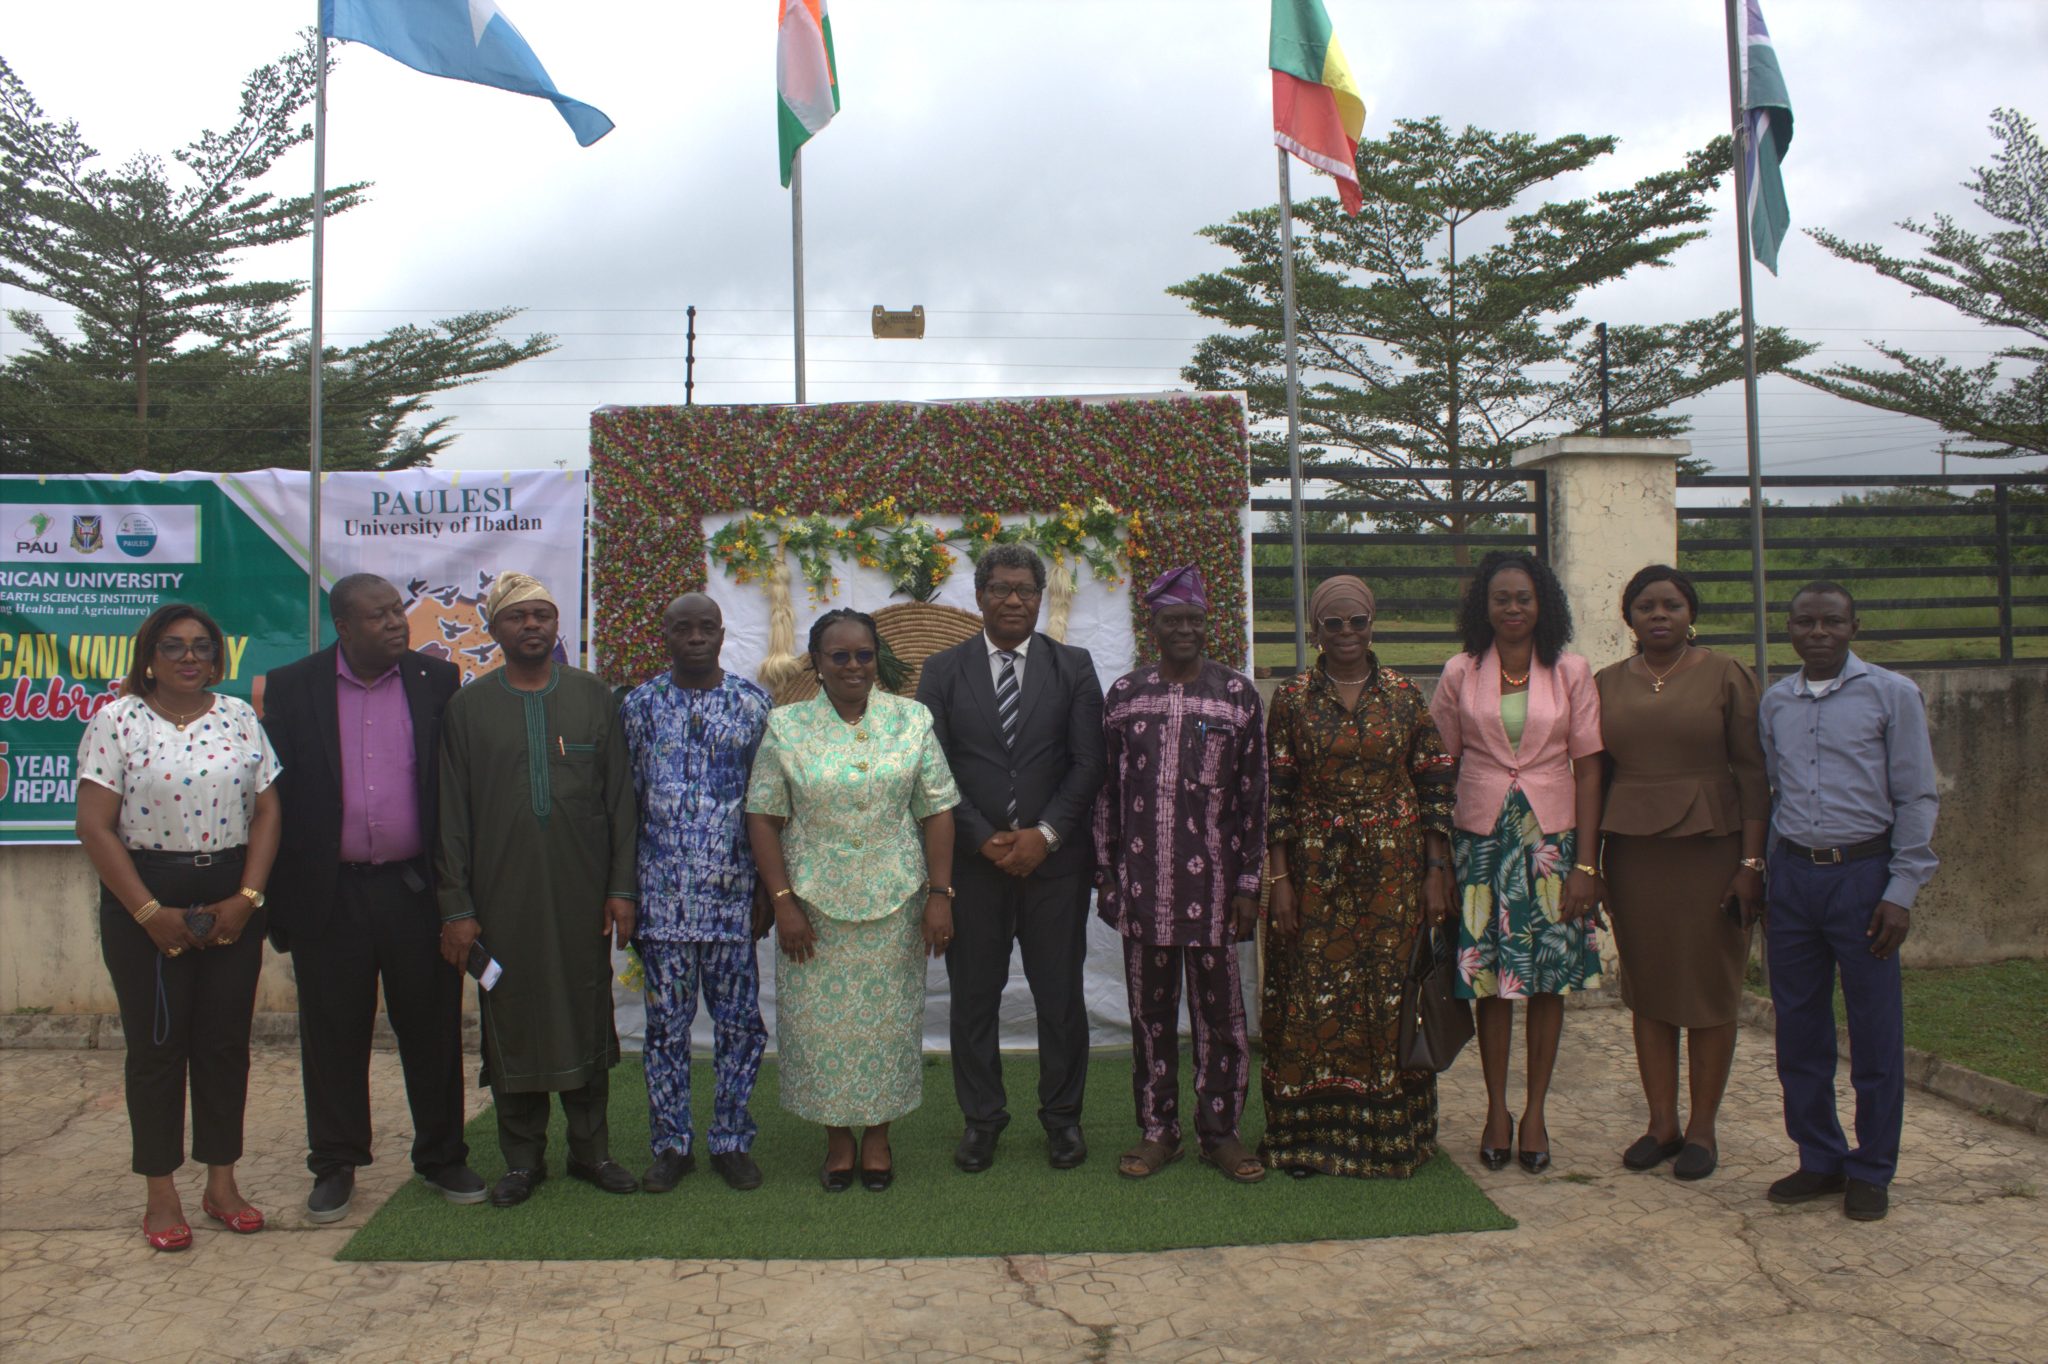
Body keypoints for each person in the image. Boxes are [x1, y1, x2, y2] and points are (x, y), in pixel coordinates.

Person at [262, 574, 481, 1224]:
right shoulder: (293, 687)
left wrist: (459, 896)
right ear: (343, 626)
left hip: (415, 890)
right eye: (378, 615)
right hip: (330, 894)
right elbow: (273, 797)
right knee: (333, 1032)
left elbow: (453, 789)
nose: (394, 623)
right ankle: (335, 1162)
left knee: (432, 1028)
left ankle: (441, 1155)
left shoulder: (435, 681)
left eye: (397, 610)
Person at [73, 603, 281, 1251]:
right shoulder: (117, 721)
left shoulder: (239, 717)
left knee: (223, 1045)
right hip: (146, 899)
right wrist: (148, 914)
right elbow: (94, 826)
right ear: (149, 657)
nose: (190, 657)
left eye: (202, 646)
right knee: (157, 1050)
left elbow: (267, 811)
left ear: (216, 658)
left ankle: (222, 1186)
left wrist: (247, 897)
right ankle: (160, 1196)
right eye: (173, 646)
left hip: (231, 897)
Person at [436, 572, 641, 1207]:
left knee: (586, 1010)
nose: (532, 626)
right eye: (517, 616)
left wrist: (622, 889)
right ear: (493, 628)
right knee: (512, 1014)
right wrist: (457, 909)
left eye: (542, 615)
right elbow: (451, 815)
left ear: (557, 625)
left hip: (582, 894)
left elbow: (620, 800)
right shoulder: (469, 707)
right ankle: (522, 1161)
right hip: (501, 899)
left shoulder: (593, 697)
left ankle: (591, 1151)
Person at [746, 609, 959, 1191]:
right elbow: (763, 815)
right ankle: (838, 1141)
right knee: (819, 1031)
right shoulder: (786, 726)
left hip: (896, 903)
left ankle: (880, 1138)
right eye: (839, 656)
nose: (853, 666)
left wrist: (939, 895)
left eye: (864, 654)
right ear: (816, 662)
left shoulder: (911, 720)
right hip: (812, 909)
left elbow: (938, 810)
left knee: (887, 1027)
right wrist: (783, 902)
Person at [916, 543, 1107, 1173]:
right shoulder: (942, 671)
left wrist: (1044, 835)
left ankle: (1063, 1119)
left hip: (1055, 868)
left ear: (1041, 597)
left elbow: (1089, 763)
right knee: (975, 997)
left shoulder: (1073, 667)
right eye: (1000, 588)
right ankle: (982, 1121)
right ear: (979, 596)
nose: (1014, 600)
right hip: (975, 869)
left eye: (1025, 589)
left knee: (1059, 997)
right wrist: (980, 836)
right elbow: (934, 767)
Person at [1262, 576, 1456, 1179]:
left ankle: (1391, 1139)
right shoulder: (1292, 698)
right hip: (1315, 870)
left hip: (1394, 871)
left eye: (1357, 622)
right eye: (1333, 624)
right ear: (1315, 630)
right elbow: (1278, 793)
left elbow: (1433, 782)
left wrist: (1435, 871)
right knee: (1311, 993)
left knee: (1389, 992)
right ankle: (1307, 1138)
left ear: (1373, 624)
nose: (1346, 633)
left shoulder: (1403, 694)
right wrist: (1279, 880)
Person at [1758, 582, 1939, 1223]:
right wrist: (1770, 879)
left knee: (1874, 1031)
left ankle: (1872, 1168)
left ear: (1853, 626)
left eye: (1832, 621)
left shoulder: (1892, 695)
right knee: (1799, 1029)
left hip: (1863, 879)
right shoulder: (1776, 702)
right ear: (1788, 629)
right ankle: (1820, 1158)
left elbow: (1916, 795)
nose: (1818, 633)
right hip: (1794, 880)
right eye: (1805, 622)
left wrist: (1901, 891)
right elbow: (1776, 790)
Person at [1430, 552, 1605, 1175]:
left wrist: (1587, 867)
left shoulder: (1571, 672)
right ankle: (1496, 1112)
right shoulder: (1461, 670)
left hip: (1552, 845)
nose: (1512, 608)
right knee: (1491, 982)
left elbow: (1590, 770)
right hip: (1480, 844)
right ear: (1484, 606)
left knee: (1547, 979)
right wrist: (1437, 861)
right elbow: (1439, 766)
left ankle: (1535, 1114)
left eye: (1523, 598)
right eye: (1500, 598)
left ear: (1542, 604)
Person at [1093, 566, 1268, 1184]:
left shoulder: (1236, 696)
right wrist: (1105, 876)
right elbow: (1107, 795)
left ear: (1206, 622)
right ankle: (1158, 1131)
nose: (1185, 630)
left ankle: (1221, 1133)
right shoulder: (1125, 696)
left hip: (1215, 892)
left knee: (1223, 1019)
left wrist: (1249, 886)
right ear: (1155, 625)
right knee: (1150, 1019)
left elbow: (1255, 797)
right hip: (1143, 890)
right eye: (1173, 620)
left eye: (1194, 619)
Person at [1594, 565, 1769, 1183]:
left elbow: (1753, 773)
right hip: (1635, 855)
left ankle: (1702, 1129)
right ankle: (1661, 1124)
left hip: (1713, 851)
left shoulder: (1727, 674)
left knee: (1711, 987)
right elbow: (1595, 779)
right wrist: (1592, 864)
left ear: (1691, 614)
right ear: (1630, 618)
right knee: (1649, 986)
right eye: (1646, 606)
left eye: (1671, 604)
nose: (1659, 615)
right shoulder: (1606, 683)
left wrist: (1751, 864)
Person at [619, 593, 774, 1194]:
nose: (695, 637)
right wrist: (625, 892)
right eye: (682, 628)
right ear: (665, 635)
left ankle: (731, 1139)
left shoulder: (752, 704)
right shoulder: (638, 706)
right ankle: (671, 1144)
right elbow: (626, 804)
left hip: (734, 899)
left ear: (721, 632)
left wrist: (768, 889)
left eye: (706, 627)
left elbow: (769, 804)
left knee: (741, 1026)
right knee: (666, 1029)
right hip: (662, 902)